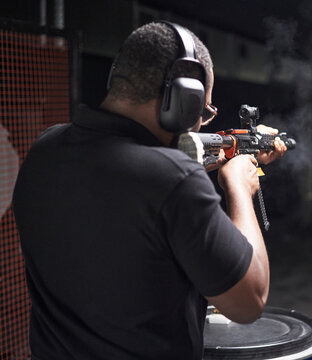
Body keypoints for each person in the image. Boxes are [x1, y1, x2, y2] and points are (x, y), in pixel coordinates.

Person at [13, 21, 287, 360]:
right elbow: (249, 303)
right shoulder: (175, 182)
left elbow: (130, 185)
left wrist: (223, 155)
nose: (203, 121)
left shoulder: (45, 148)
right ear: (183, 99)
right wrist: (238, 185)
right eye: (203, 110)